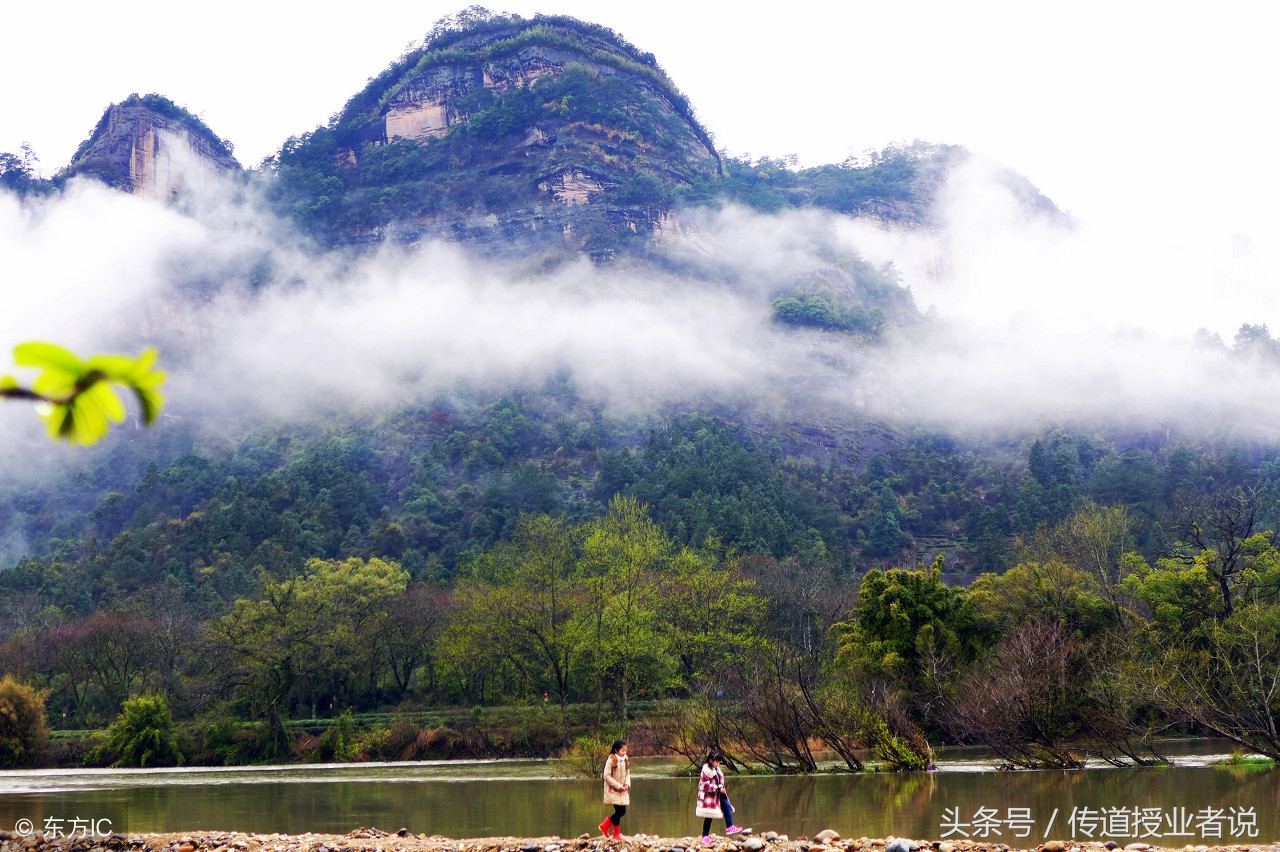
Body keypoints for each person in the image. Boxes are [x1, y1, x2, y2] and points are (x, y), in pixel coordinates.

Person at [696, 749, 743, 844]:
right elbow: (706, 785)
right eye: (717, 761)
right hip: (708, 797)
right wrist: (718, 788)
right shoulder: (705, 771)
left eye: (719, 762)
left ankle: (729, 827)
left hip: (717, 794)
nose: (718, 763)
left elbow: (719, 780)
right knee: (709, 815)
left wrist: (720, 787)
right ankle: (705, 836)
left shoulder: (716, 768)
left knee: (727, 806)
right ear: (711, 760)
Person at [600, 739, 631, 839]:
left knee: (621, 811)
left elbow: (627, 774)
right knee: (620, 811)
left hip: (623, 790)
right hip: (613, 790)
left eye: (625, 751)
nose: (624, 753)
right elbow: (606, 776)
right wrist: (618, 786)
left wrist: (627, 784)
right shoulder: (611, 760)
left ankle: (611, 830)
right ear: (616, 750)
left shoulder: (625, 760)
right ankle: (610, 830)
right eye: (622, 751)